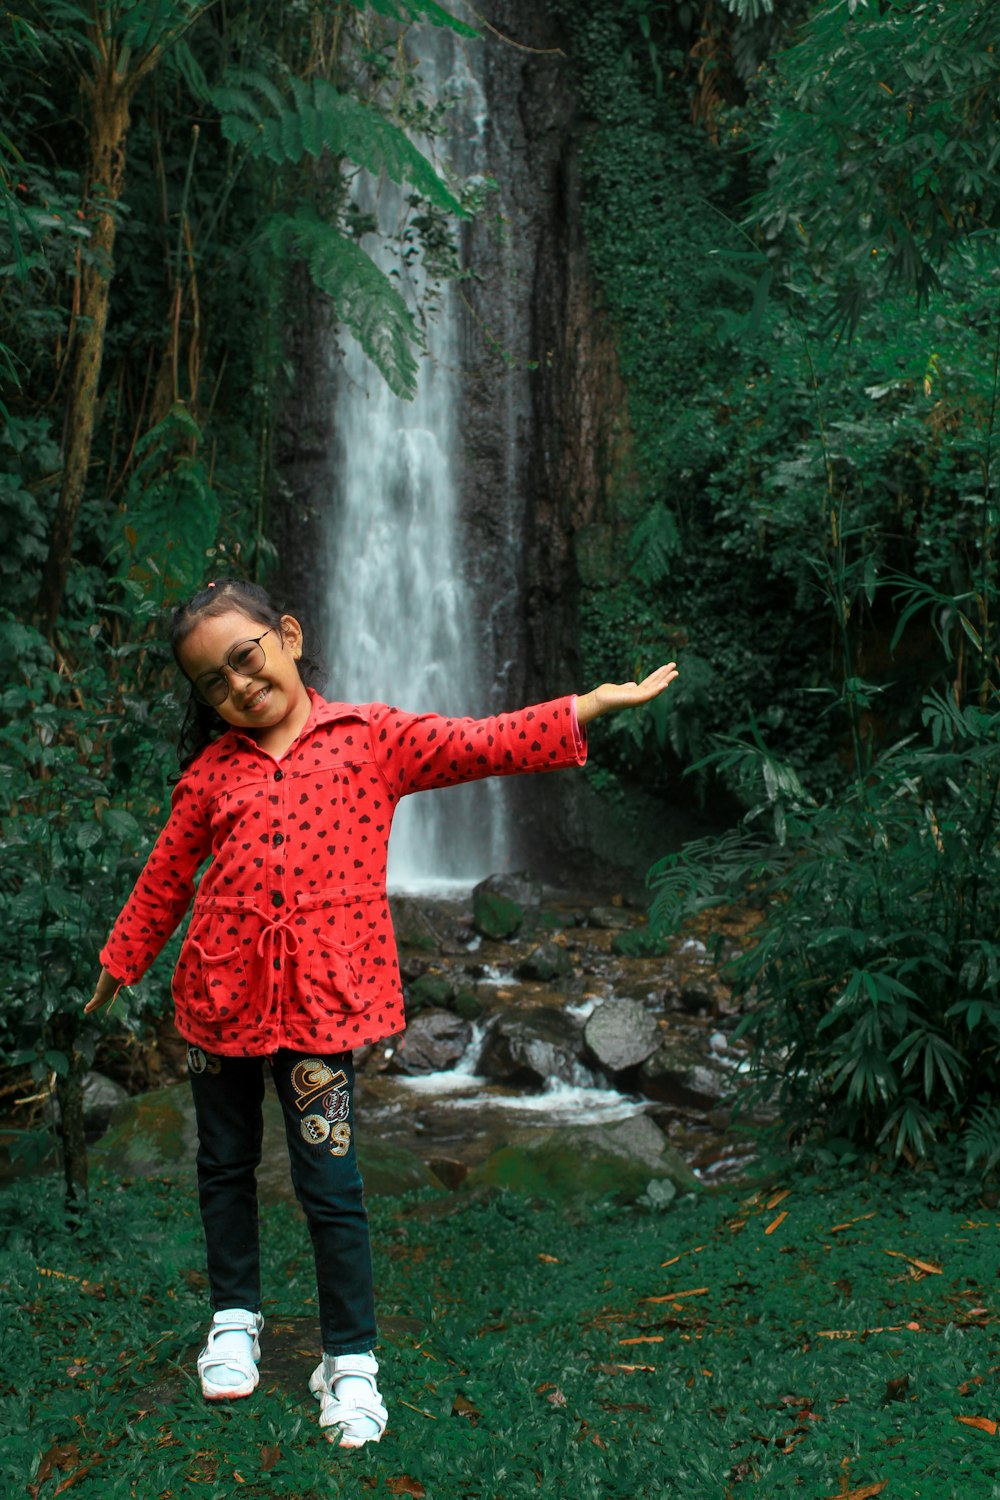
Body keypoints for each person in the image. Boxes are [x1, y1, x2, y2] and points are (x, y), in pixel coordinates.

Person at [85, 577, 679, 1449]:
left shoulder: (373, 740)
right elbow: (167, 880)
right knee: (223, 1167)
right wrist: (118, 964)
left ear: (287, 637)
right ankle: (236, 1320)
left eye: (245, 659)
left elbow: (483, 743)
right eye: (212, 682)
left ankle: (350, 1359)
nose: (238, 687)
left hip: (321, 1012)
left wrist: (585, 707)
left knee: (332, 1181)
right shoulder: (210, 775)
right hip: (216, 1000)